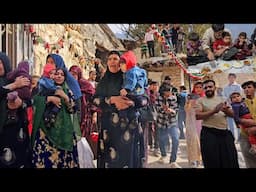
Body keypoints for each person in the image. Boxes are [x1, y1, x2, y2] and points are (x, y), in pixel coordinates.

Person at [93, 50, 145, 168]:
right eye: (109, 59)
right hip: (109, 131)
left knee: (129, 160)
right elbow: (94, 100)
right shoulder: (104, 81)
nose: (112, 61)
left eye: (115, 59)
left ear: (122, 62)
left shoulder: (131, 78)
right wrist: (112, 100)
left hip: (129, 128)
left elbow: (144, 100)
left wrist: (131, 102)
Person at [32, 67, 81, 168]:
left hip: (64, 132)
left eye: (62, 75)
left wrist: (65, 97)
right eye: (56, 74)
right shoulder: (44, 88)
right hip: (45, 131)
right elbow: (34, 101)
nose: (59, 76)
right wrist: (49, 98)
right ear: (52, 75)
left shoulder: (68, 91)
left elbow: (73, 110)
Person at [195, 79, 239, 168]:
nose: (208, 89)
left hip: (224, 133)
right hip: (209, 133)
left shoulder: (222, 99)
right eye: (205, 88)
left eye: (210, 87)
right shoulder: (200, 100)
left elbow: (233, 115)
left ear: (215, 87)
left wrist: (226, 110)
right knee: (212, 161)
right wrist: (214, 111)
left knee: (230, 160)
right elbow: (197, 116)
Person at [0, 52, 31, 168]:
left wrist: (21, 103)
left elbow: (30, 100)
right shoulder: (15, 82)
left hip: (16, 130)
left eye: (0, 63)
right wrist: (14, 85)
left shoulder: (17, 78)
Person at [119, 50, 148, 128]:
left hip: (132, 94)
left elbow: (131, 82)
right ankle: (134, 119)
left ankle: (125, 120)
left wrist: (126, 89)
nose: (120, 65)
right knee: (135, 108)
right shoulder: (141, 71)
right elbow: (144, 83)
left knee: (124, 107)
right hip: (140, 94)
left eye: (122, 63)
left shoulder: (130, 72)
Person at [155, 83, 180, 168]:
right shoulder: (158, 99)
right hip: (161, 122)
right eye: (168, 91)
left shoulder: (173, 98)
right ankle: (163, 155)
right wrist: (164, 110)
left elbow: (176, 109)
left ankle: (173, 160)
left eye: (170, 91)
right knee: (161, 139)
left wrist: (171, 111)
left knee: (176, 139)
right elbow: (158, 110)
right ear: (163, 92)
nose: (170, 93)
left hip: (172, 122)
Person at [239, 81, 256, 167]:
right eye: (244, 88)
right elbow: (237, 119)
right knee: (250, 163)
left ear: (255, 88)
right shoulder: (240, 103)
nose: (246, 89)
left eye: (249, 87)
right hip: (245, 136)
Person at [223, 73, 242, 141]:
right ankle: (233, 138)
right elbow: (223, 96)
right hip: (229, 106)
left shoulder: (238, 86)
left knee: (238, 122)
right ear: (228, 78)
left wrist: (233, 99)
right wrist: (227, 100)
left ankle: (240, 138)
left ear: (234, 78)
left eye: (232, 77)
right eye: (229, 77)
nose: (231, 79)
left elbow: (239, 95)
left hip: (237, 106)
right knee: (230, 123)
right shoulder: (225, 87)